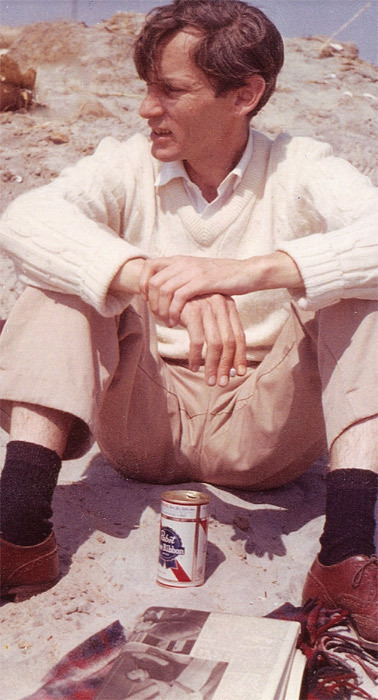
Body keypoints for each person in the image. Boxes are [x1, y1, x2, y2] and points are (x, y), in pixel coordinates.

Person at [0, 0, 377, 650]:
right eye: (148, 88)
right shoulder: (125, 163)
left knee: (358, 290)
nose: (147, 108)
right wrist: (148, 276)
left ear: (245, 94)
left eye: (170, 90)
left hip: (266, 434)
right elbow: (25, 218)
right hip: (144, 422)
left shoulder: (300, 167)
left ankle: (345, 556)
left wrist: (248, 273)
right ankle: (18, 532)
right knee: (65, 271)